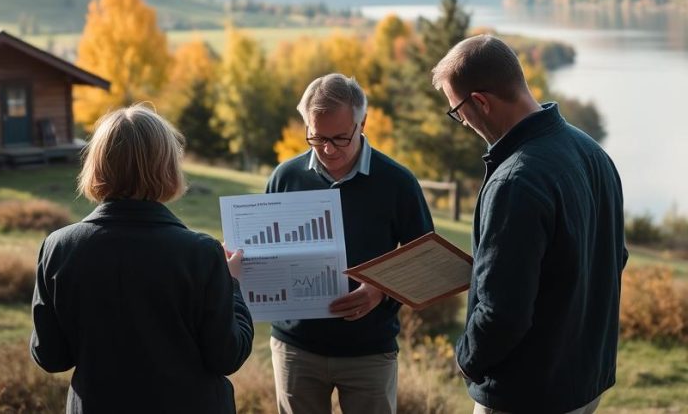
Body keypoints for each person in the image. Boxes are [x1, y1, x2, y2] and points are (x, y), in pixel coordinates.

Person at [431, 35, 628, 414]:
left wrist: (465, 358)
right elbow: (614, 259)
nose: (463, 123)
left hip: (526, 393)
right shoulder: (591, 151)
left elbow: (503, 312)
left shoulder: (515, 181)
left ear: (481, 102)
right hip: (586, 380)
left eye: (457, 112)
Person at [30, 104, 254, 413]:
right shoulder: (200, 253)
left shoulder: (58, 247)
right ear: (167, 167)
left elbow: (50, 357)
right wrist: (232, 285)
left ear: (96, 164)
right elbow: (227, 356)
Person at [265, 73, 433, 414]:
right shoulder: (286, 176)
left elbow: (426, 261)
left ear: (363, 123)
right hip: (295, 348)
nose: (328, 149)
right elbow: (266, 251)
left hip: (369, 350)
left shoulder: (397, 182)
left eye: (340, 138)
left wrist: (380, 289)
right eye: (317, 137)